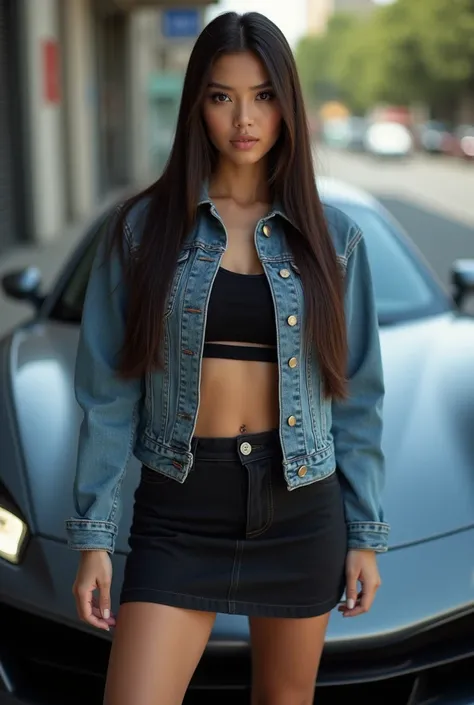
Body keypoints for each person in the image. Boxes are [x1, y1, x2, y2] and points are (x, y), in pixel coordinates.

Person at [66, 10, 389, 705]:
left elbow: (357, 391)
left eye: (264, 95)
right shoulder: (141, 230)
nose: (244, 118)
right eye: (222, 96)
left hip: (300, 504)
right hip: (180, 507)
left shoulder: (336, 239)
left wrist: (365, 533)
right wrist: (94, 534)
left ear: (288, 106)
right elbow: (106, 393)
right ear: (197, 107)